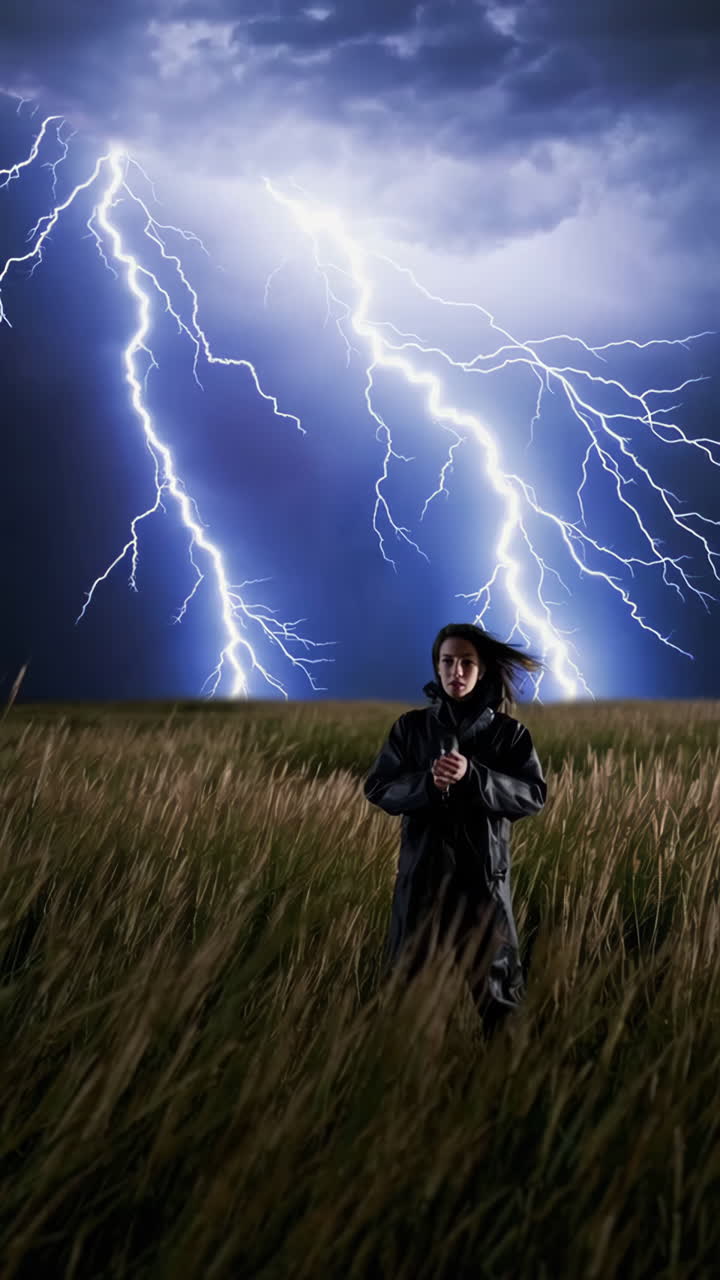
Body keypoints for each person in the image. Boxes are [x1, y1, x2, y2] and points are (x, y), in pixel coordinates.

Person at [363, 622, 547, 1042]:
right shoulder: (410, 730)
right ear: (436, 667)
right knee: (405, 1001)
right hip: (421, 886)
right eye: (448, 662)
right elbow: (378, 787)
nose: (456, 672)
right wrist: (427, 785)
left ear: (481, 671)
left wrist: (474, 777)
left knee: (500, 1004)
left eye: (467, 663)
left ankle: (502, 1094)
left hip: (483, 887)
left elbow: (533, 794)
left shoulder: (509, 734)